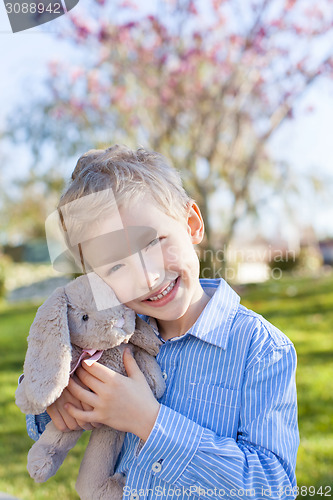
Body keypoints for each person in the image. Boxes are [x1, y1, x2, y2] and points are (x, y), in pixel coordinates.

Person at [26, 145, 299, 499]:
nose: (148, 277)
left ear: (192, 224)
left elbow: (273, 486)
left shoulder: (261, 349)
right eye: (116, 267)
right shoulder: (114, 335)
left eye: (153, 242)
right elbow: (47, 405)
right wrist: (56, 397)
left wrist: (149, 421)